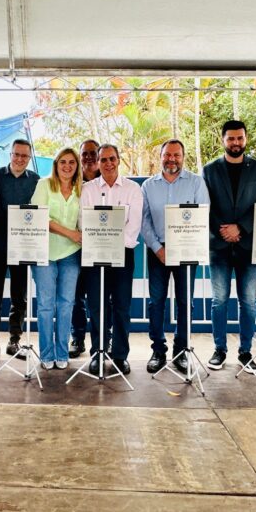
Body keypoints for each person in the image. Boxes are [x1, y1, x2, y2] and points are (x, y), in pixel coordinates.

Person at [202, 120, 256, 372]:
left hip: (248, 246)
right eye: (231, 139)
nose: (236, 143)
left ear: (246, 139)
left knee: (249, 301)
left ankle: (245, 352)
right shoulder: (209, 170)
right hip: (218, 246)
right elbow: (204, 205)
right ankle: (219, 350)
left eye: (240, 138)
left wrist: (239, 228)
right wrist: (224, 230)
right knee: (218, 300)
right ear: (223, 140)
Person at [140, 139, 209, 373]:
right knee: (156, 302)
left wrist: (184, 247)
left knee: (184, 302)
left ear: (183, 156)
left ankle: (181, 351)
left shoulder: (196, 183)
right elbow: (144, 221)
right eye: (167, 155)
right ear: (160, 157)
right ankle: (158, 351)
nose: (172, 159)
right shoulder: (148, 186)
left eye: (176, 155)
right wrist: (158, 248)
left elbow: (203, 216)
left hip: (187, 252)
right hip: (158, 251)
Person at [80, 144, 143, 375]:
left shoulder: (132, 189)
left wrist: (113, 247)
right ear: (97, 162)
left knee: (122, 306)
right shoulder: (87, 190)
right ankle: (98, 352)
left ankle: (119, 356)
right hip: (94, 254)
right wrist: (100, 244)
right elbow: (83, 221)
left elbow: (133, 226)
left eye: (112, 159)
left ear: (119, 160)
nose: (108, 163)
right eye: (103, 159)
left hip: (122, 255)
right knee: (96, 306)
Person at [0, 139, 40, 363]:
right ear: (10, 154)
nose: (20, 159)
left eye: (24, 156)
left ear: (29, 158)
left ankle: (14, 340)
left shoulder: (36, 180)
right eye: (16, 154)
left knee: (19, 297)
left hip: (22, 247)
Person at [31, 148, 82, 369]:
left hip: (71, 254)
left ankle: (62, 353)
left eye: (72, 162)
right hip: (44, 252)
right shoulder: (44, 185)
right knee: (45, 305)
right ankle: (46, 354)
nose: (67, 166)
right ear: (56, 164)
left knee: (66, 304)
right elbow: (38, 215)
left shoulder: (82, 189)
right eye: (63, 162)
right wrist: (70, 233)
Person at [69, 138, 101, 358]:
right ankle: (77, 338)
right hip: (75, 246)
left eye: (93, 153)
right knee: (75, 295)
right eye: (85, 154)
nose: (89, 158)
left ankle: (101, 342)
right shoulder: (71, 181)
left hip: (101, 247)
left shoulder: (107, 180)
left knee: (99, 297)